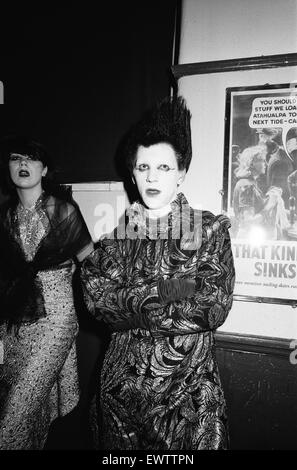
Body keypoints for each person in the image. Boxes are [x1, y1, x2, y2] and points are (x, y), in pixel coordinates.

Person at [81, 96, 235, 450]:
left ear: (181, 173)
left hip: (189, 402)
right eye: (143, 167)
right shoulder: (114, 243)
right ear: (132, 174)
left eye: (163, 168)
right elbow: (97, 304)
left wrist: (131, 300)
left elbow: (213, 304)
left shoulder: (209, 230)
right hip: (121, 401)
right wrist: (178, 288)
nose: (151, 177)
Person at [0, 136, 93, 449]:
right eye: (16, 158)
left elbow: (91, 265)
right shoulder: (4, 216)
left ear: (45, 169)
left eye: (31, 158)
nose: (23, 164)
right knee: (28, 411)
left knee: (15, 412)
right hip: (13, 325)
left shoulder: (62, 210)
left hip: (55, 320)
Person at [232, 145, 288, 239]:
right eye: (262, 160)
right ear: (252, 163)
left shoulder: (251, 183)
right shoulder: (246, 186)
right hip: (249, 241)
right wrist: (269, 205)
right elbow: (249, 221)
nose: (266, 163)